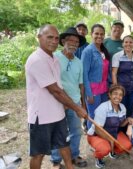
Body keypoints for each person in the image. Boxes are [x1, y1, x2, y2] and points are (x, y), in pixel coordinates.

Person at [25, 24, 87, 169]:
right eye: (49, 37)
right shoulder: (36, 60)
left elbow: (60, 87)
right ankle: (55, 162)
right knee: (38, 154)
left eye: (55, 38)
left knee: (64, 144)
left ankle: (70, 165)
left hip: (57, 113)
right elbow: (56, 91)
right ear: (39, 37)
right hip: (41, 116)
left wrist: (77, 105)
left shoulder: (53, 59)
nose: (53, 41)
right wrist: (77, 108)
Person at [50, 27, 87, 168]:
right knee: (58, 132)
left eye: (76, 41)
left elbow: (81, 85)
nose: (73, 43)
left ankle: (74, 155)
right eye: (70, 40)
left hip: (75, 102)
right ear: (63, 41)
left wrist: (82, 105)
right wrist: (64, 100)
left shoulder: (79, 62)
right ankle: (56, 160)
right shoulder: (55, 58)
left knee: (76, 131)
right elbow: (53, 83)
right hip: (58, 101)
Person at [87, 84, 132, 168]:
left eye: (120, 95)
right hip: (96, 135)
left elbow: (121, 124)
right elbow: (98, 130)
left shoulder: (122, 107)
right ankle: (99, 158)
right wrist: (110, 140)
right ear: (109, 94)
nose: (118, 97)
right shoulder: (103, 108)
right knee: (104, 149)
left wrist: (128, 120)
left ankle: (112, 151)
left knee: (127, 145)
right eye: (115, 93)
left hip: (113, 133)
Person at [82, 24, 111, 129]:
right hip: (93, 90)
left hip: (104, 89)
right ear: (91, 34)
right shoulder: (88, 51)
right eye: (97, 33)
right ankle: (92, 139)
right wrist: (88, 94)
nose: (99, 36)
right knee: (93, 117)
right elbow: (84, 74)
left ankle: (100, 140)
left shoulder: (103, 50)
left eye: (102, 34)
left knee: (102, 115)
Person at [112, 35, 133, 118]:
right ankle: (119, 129)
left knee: (130, 109)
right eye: (126, 42)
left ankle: (128, 129)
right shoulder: (117, 56)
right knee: (121, 109)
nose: (128, 44)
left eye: (131, 42)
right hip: (122, 89)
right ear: (122, 44)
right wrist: (116, 88)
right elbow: (114, 73)